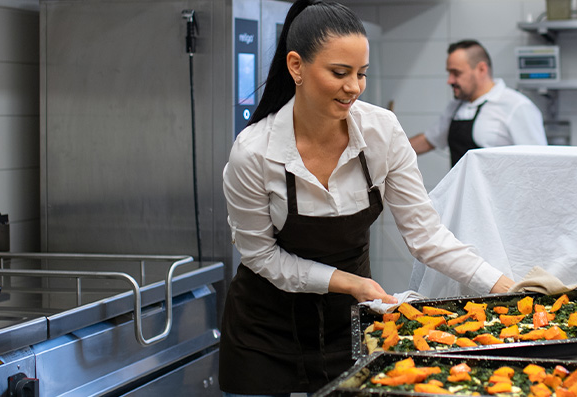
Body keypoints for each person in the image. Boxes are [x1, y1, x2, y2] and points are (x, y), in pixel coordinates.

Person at [219, 1, 515, 395]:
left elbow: (426, 236)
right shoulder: (254, 152)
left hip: (351, 328)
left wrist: (505, 287)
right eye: (340, 73)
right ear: (296, 67)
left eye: (361, 74)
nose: (354, 88)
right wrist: (347, 282)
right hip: (264, 332)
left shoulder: (381, 132)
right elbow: (260, 256)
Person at [409, 40, 548, 167]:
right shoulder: (455, 107)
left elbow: (538, 163)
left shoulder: (516, 106)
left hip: (497, 194)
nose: (449, 80)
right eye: (449, 73)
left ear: (481, 69)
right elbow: (429, 141)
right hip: (462, 194)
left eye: (456, 73)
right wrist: (390, 152)